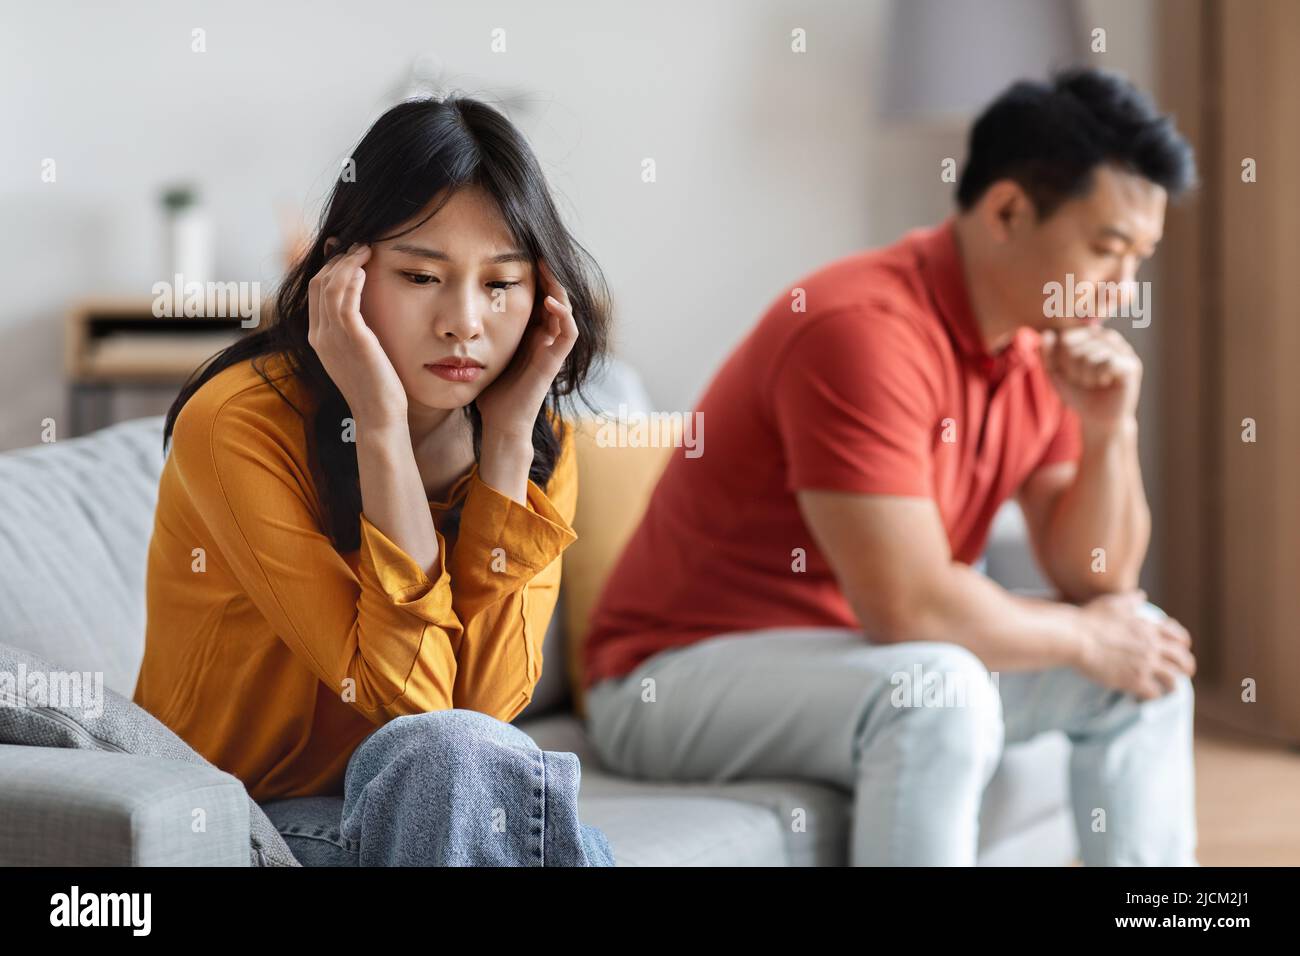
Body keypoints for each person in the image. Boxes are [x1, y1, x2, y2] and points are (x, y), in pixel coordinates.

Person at [583, 67, 1199, 866]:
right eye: (1108, 249)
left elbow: (1097, 577)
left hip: (857, 670)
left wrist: (1111, 431)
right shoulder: (862, 330)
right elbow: (909, 608)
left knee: (1146, 659)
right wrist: (1085, 638)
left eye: (1139, 257)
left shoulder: (1038, 345)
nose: (1125, 288)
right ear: (1008, 210)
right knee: (937, 687)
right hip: (672, 681)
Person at [134, 95, 615, 866]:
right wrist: (381, 426)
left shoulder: (534, 445)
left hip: (445, 812)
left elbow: (482, 723)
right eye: (423, 276)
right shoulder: (236, 426)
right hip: (255, 819)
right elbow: (421, 713)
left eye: (500, 284)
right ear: (343, 276)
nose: (465, 320)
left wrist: (505, 453)